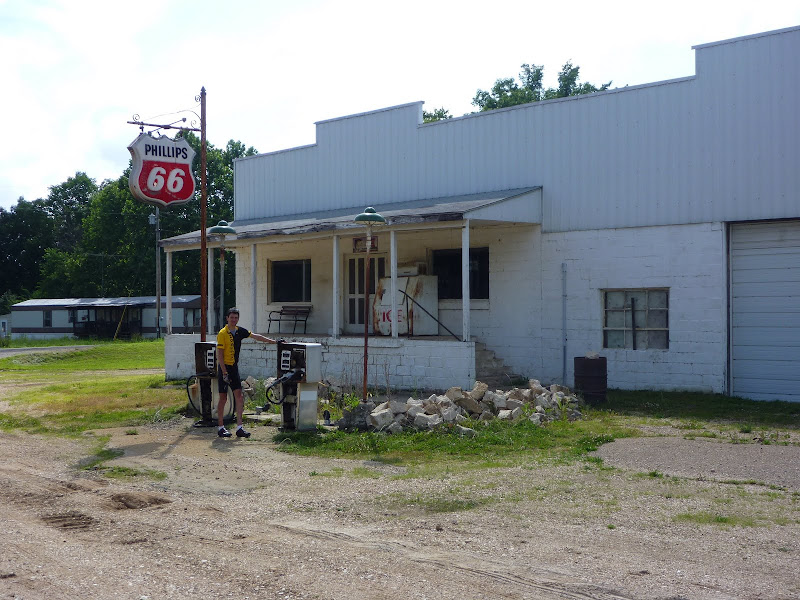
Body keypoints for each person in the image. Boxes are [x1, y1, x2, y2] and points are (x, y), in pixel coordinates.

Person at [216, 307, 276, 438]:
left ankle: (239, 427)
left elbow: (256, 336)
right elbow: (219, 355)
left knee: (239, 396)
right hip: (224, 368)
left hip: (233, 368)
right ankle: (220, 427)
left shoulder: (239, 331)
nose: (234, 320)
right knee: (223, 398)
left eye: (236, 317)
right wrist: (224, 373)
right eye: (231, 317)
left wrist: (274, 342)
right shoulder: (222, 333)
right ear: (227, 318)